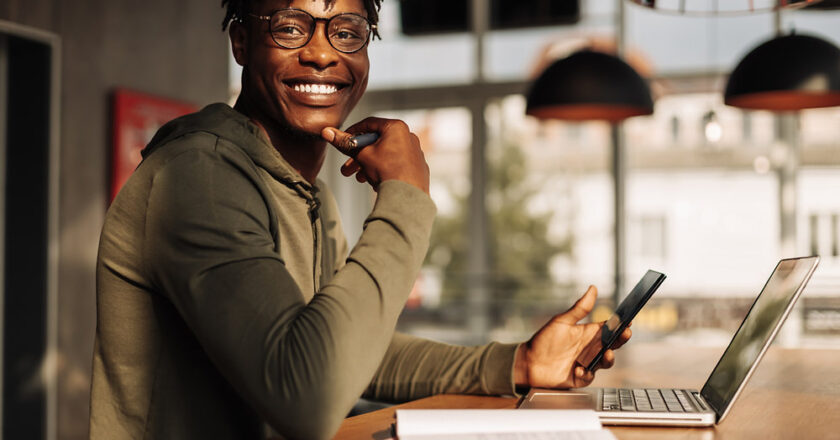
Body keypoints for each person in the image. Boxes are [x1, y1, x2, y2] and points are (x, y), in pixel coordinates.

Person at [88, 0, 631, 439]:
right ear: (241, 42)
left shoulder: (307, 196)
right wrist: (404, 195)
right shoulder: (199, 178)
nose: (322, 53)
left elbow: (345, 354)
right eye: (290, 27)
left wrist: (517, 363)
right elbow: (307, 395)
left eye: (347, 32)